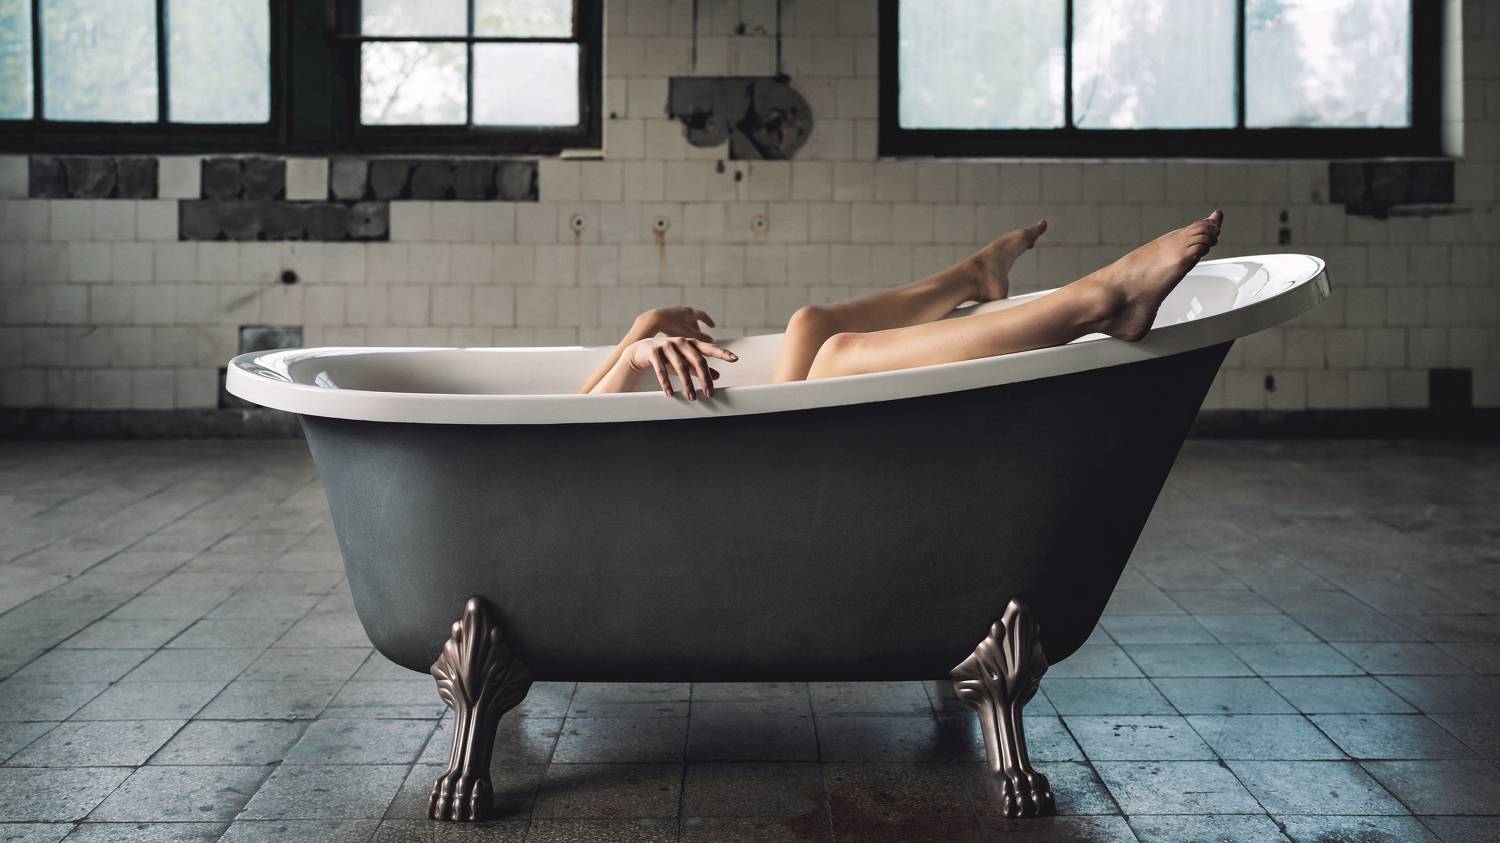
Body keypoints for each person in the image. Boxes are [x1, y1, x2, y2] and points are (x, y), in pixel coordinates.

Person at [579, 211, 1223, 399]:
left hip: (733, 458)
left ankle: (973, 275)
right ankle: (1095, 304)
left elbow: (567, 410)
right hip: (724, 491)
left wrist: (640, 329)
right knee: (837, 358)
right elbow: (566, 442)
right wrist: (637, 353)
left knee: (811, 324)